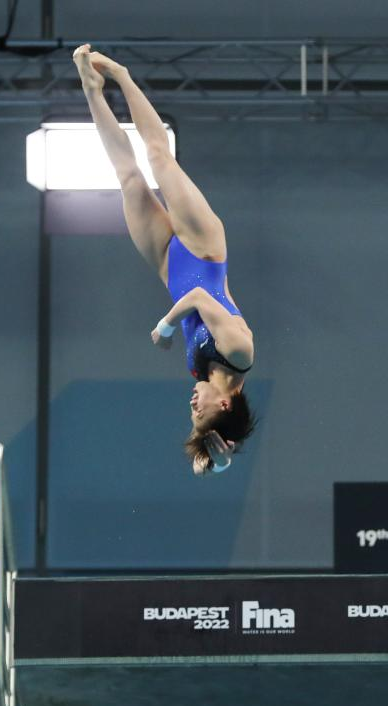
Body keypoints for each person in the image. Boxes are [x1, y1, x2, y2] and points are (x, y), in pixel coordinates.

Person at [73, 44, 256, 474]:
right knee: (158, 156)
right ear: (225, 404)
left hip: (169, 266)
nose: (192, 405)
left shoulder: (202, 374)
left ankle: (92, 88)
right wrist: (166, 326)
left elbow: (203, 464)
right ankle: (121, 74)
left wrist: (217, 461)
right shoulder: (239, 351)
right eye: (199, 412)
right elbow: (199, 298)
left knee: (127, 177)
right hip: (205, 248)